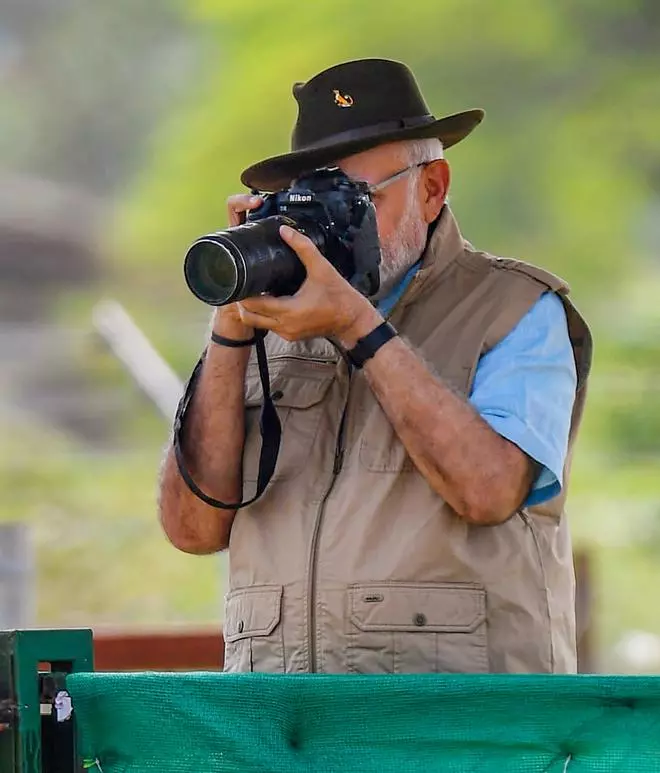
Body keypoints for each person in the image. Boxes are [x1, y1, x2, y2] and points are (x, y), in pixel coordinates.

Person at [158, 58, 592, 674]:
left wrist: (357, 326)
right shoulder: (270, 324)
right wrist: (230, 328)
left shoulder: (517, 307)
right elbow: (192, 529)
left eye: (351, 200)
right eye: (307, 204)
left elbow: (490, 490)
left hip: (461, 733)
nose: (328, 227)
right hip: (284, 732)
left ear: (432, 187)